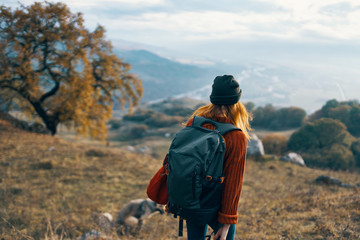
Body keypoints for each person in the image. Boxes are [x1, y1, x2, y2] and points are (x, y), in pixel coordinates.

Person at [184, 75, 252, 240]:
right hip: (217, 205)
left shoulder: (194, 123)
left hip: (191, 200)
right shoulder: (235, 136)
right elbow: (232, 184)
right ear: (236, 102)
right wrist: (227, 222)